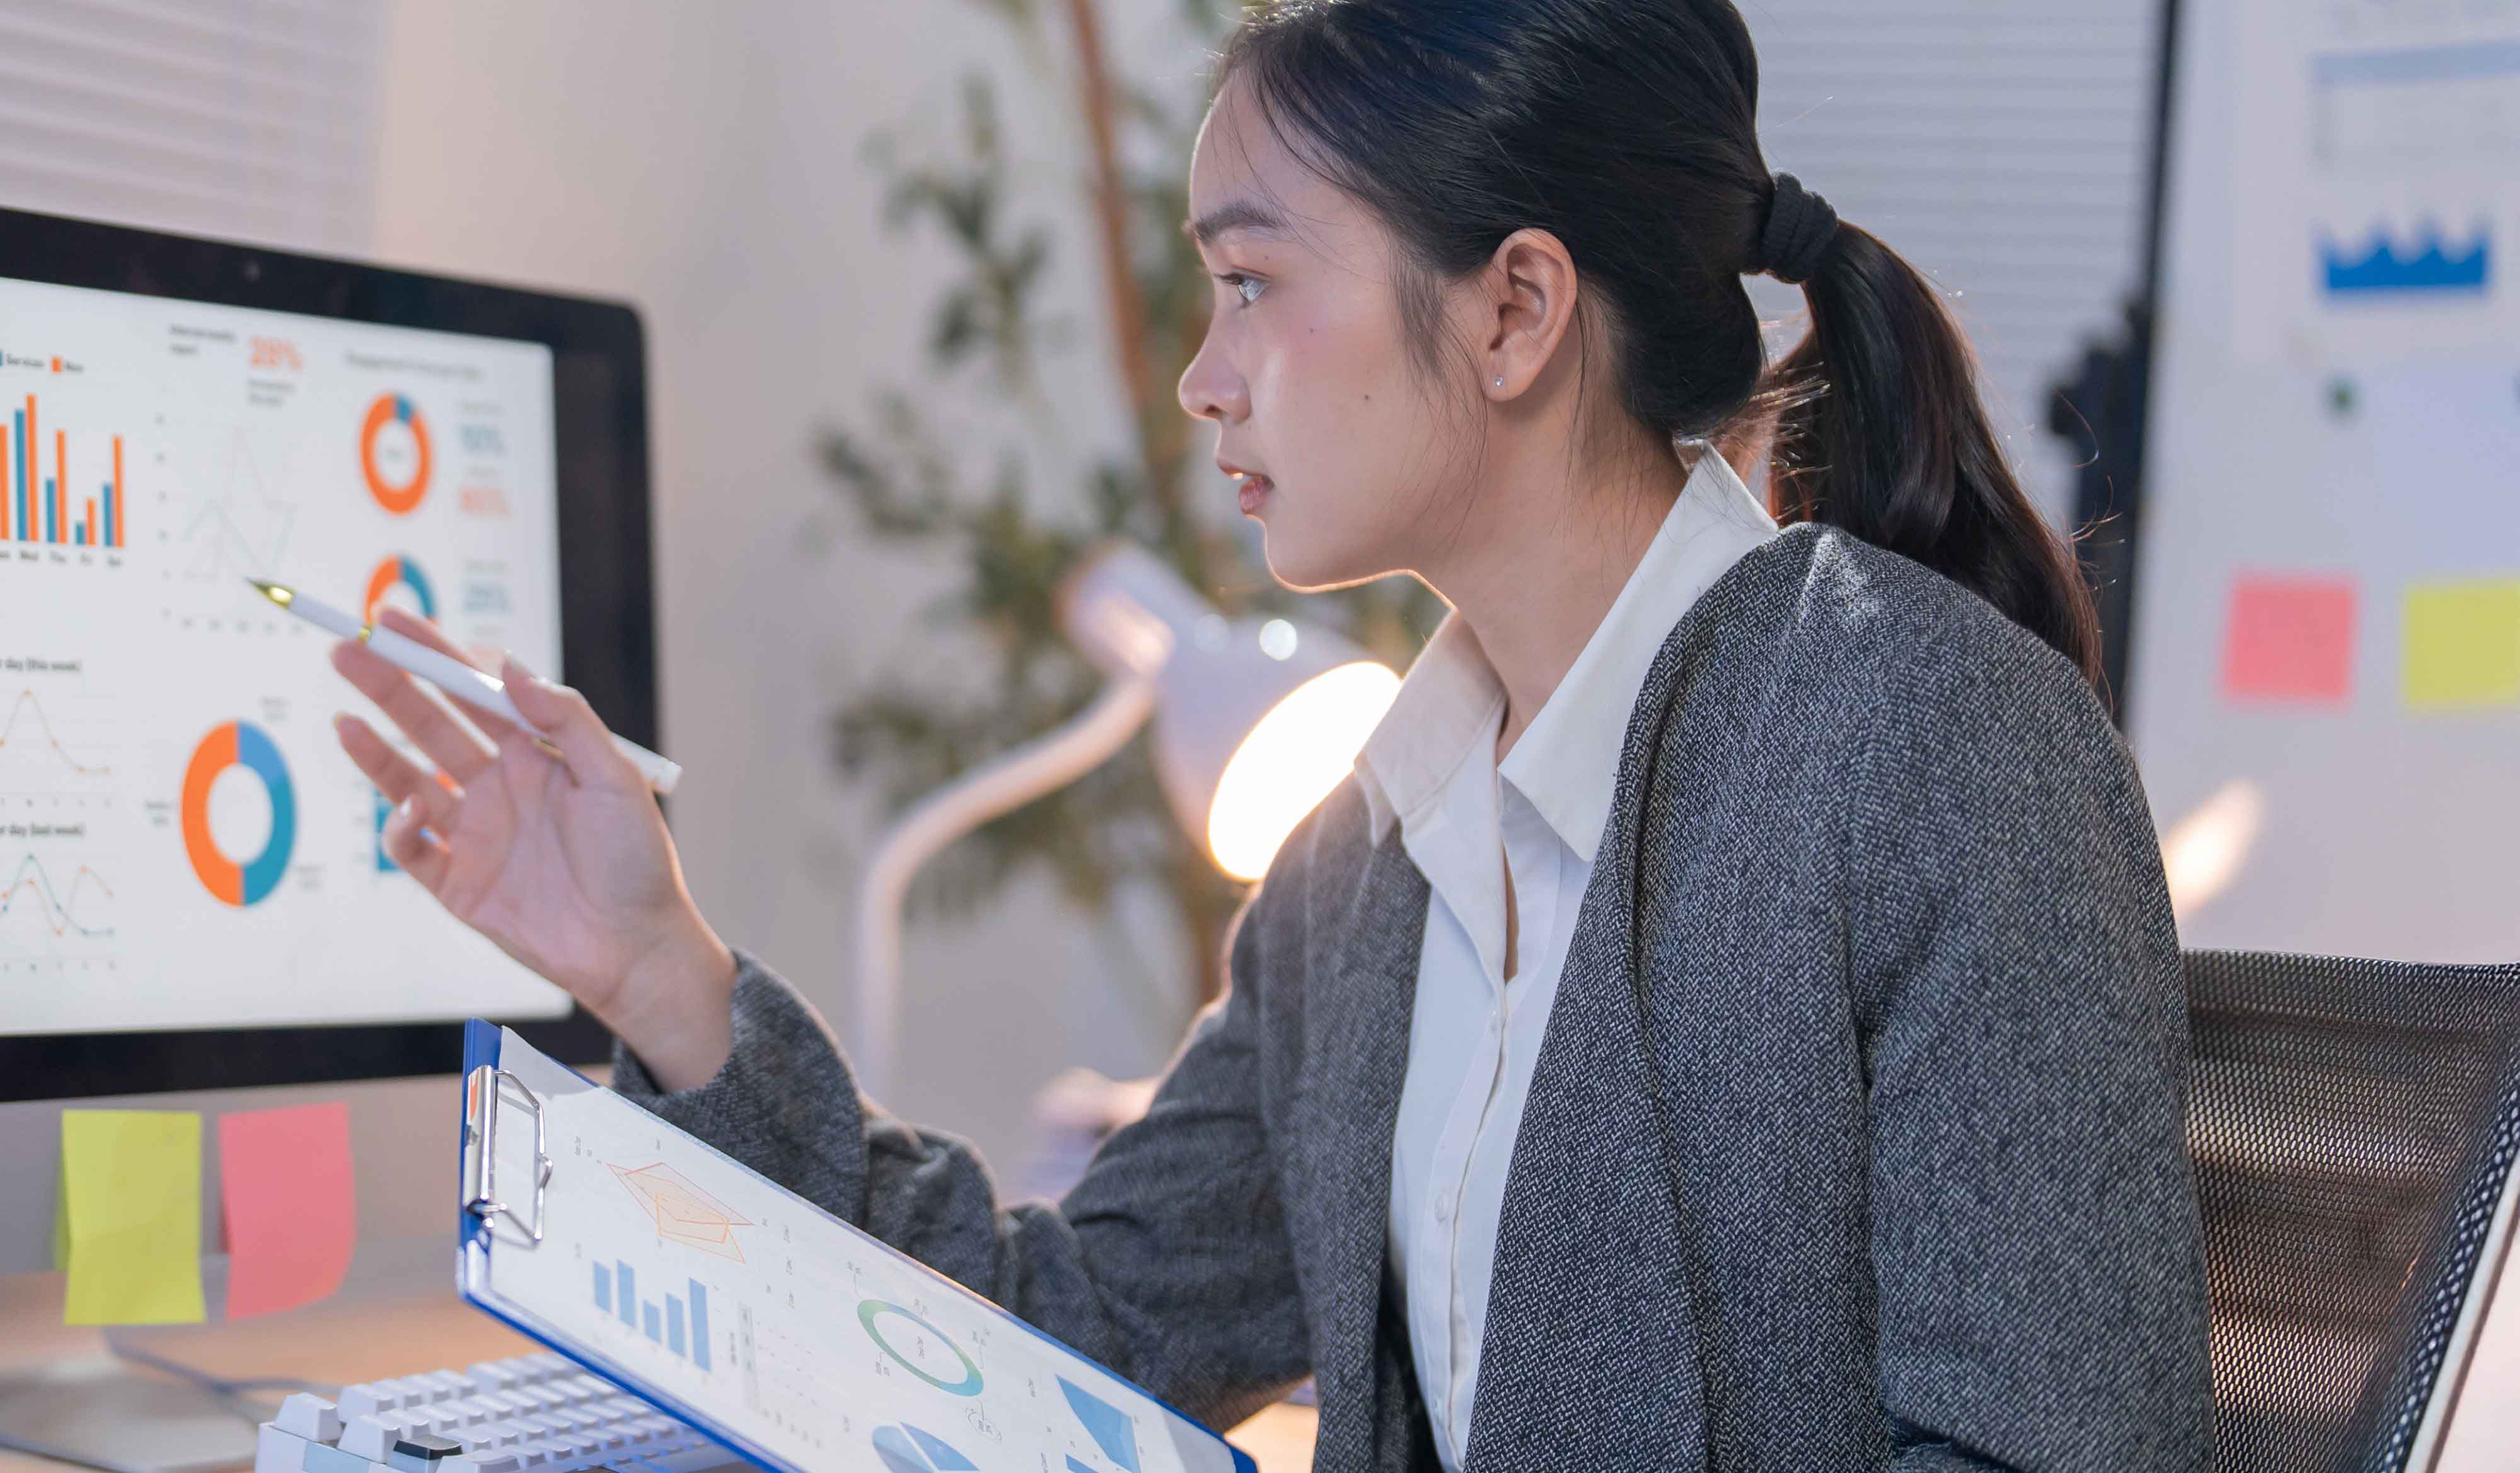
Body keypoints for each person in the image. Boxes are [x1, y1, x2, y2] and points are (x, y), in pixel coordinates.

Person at [324, 2, 2211, 1468]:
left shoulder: (1926, 746)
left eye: (1252, 285)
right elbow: (1062, 1327)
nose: (1201, 374)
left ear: (1517, 309)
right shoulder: (1371, 863)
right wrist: (668, 973)